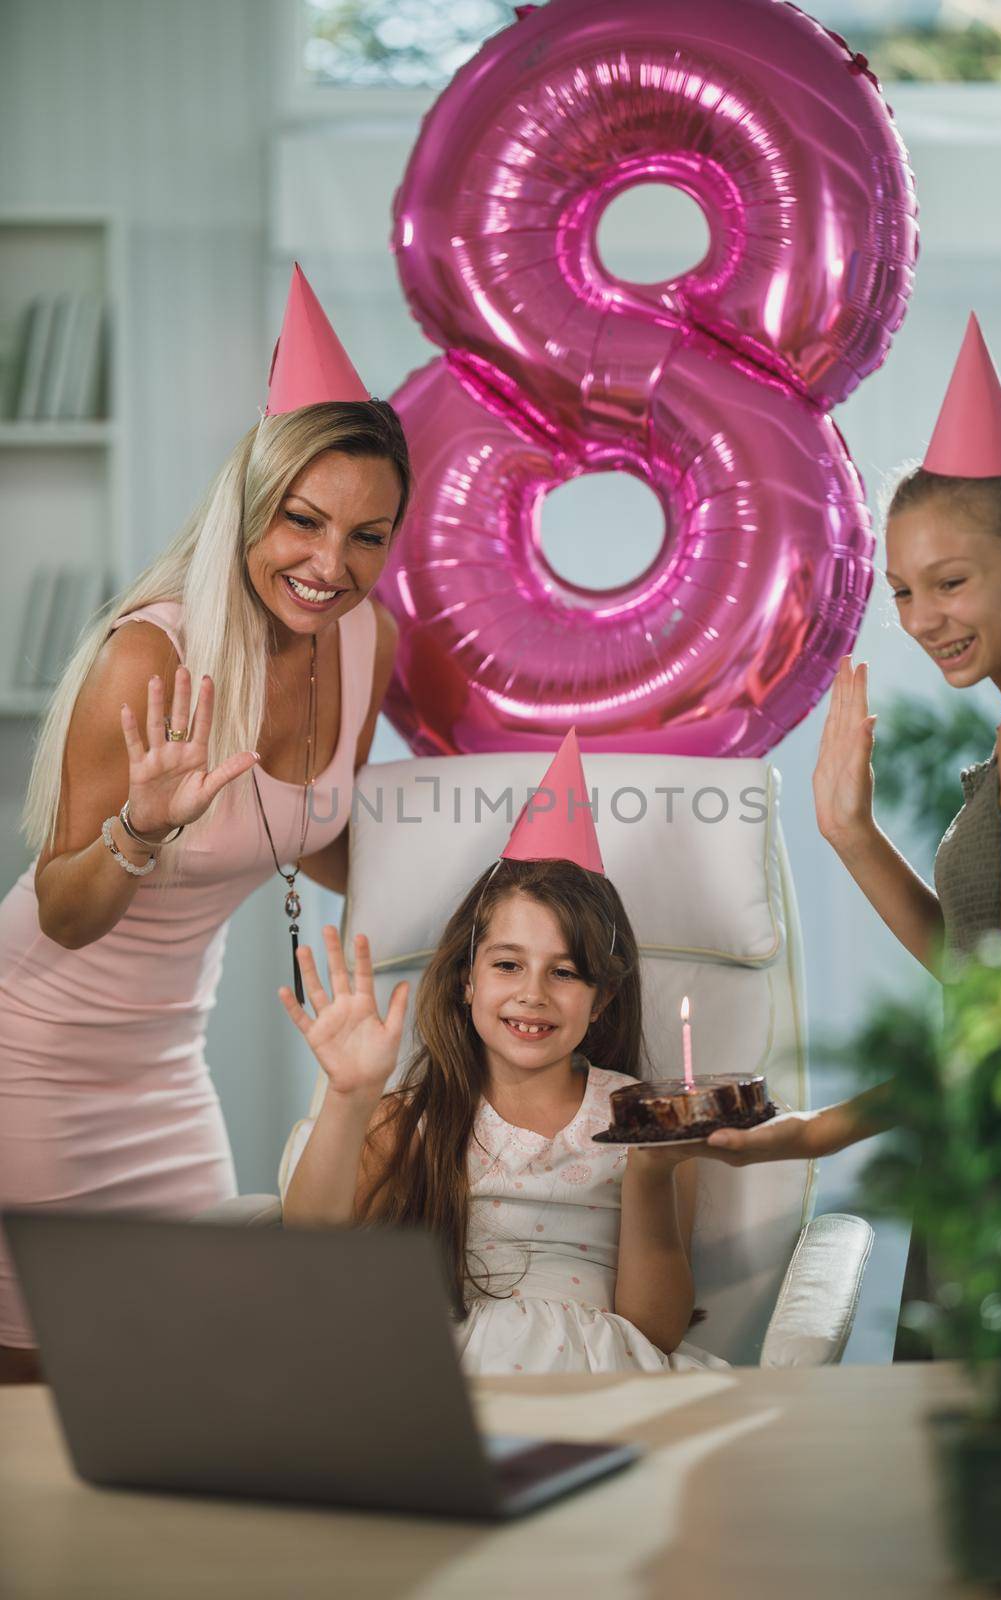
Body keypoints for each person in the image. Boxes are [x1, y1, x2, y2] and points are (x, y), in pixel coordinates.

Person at [0, 264, 411, 1382]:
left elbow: (308, 835)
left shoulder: (364, 642)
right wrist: (141, 824)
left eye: (367, 536)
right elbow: (65, 910)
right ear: (247, 509)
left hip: (167, 1063)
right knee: (44, 1399)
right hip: (32, 1052)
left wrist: (466, 879)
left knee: (178, 1367)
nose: (330, 566)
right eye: (303, 521)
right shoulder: (152, 653)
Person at [703, 313, 1001, 1178]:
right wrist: (851, 834)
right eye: (901, 591)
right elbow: (981, 970)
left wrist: (821, 1131)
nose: (919, 620)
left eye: (950, 582)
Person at [280, 730, 730, 1375]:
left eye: (566, 973)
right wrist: (351, 1096)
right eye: (509, 964)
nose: (533, 995)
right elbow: (313, 1241)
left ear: (601, 999)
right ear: (468, 980)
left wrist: (651, 1171)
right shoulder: (414, 1119)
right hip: (447, 1366)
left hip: (602, 1373)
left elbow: (654, 1330)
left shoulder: (650, 1121)